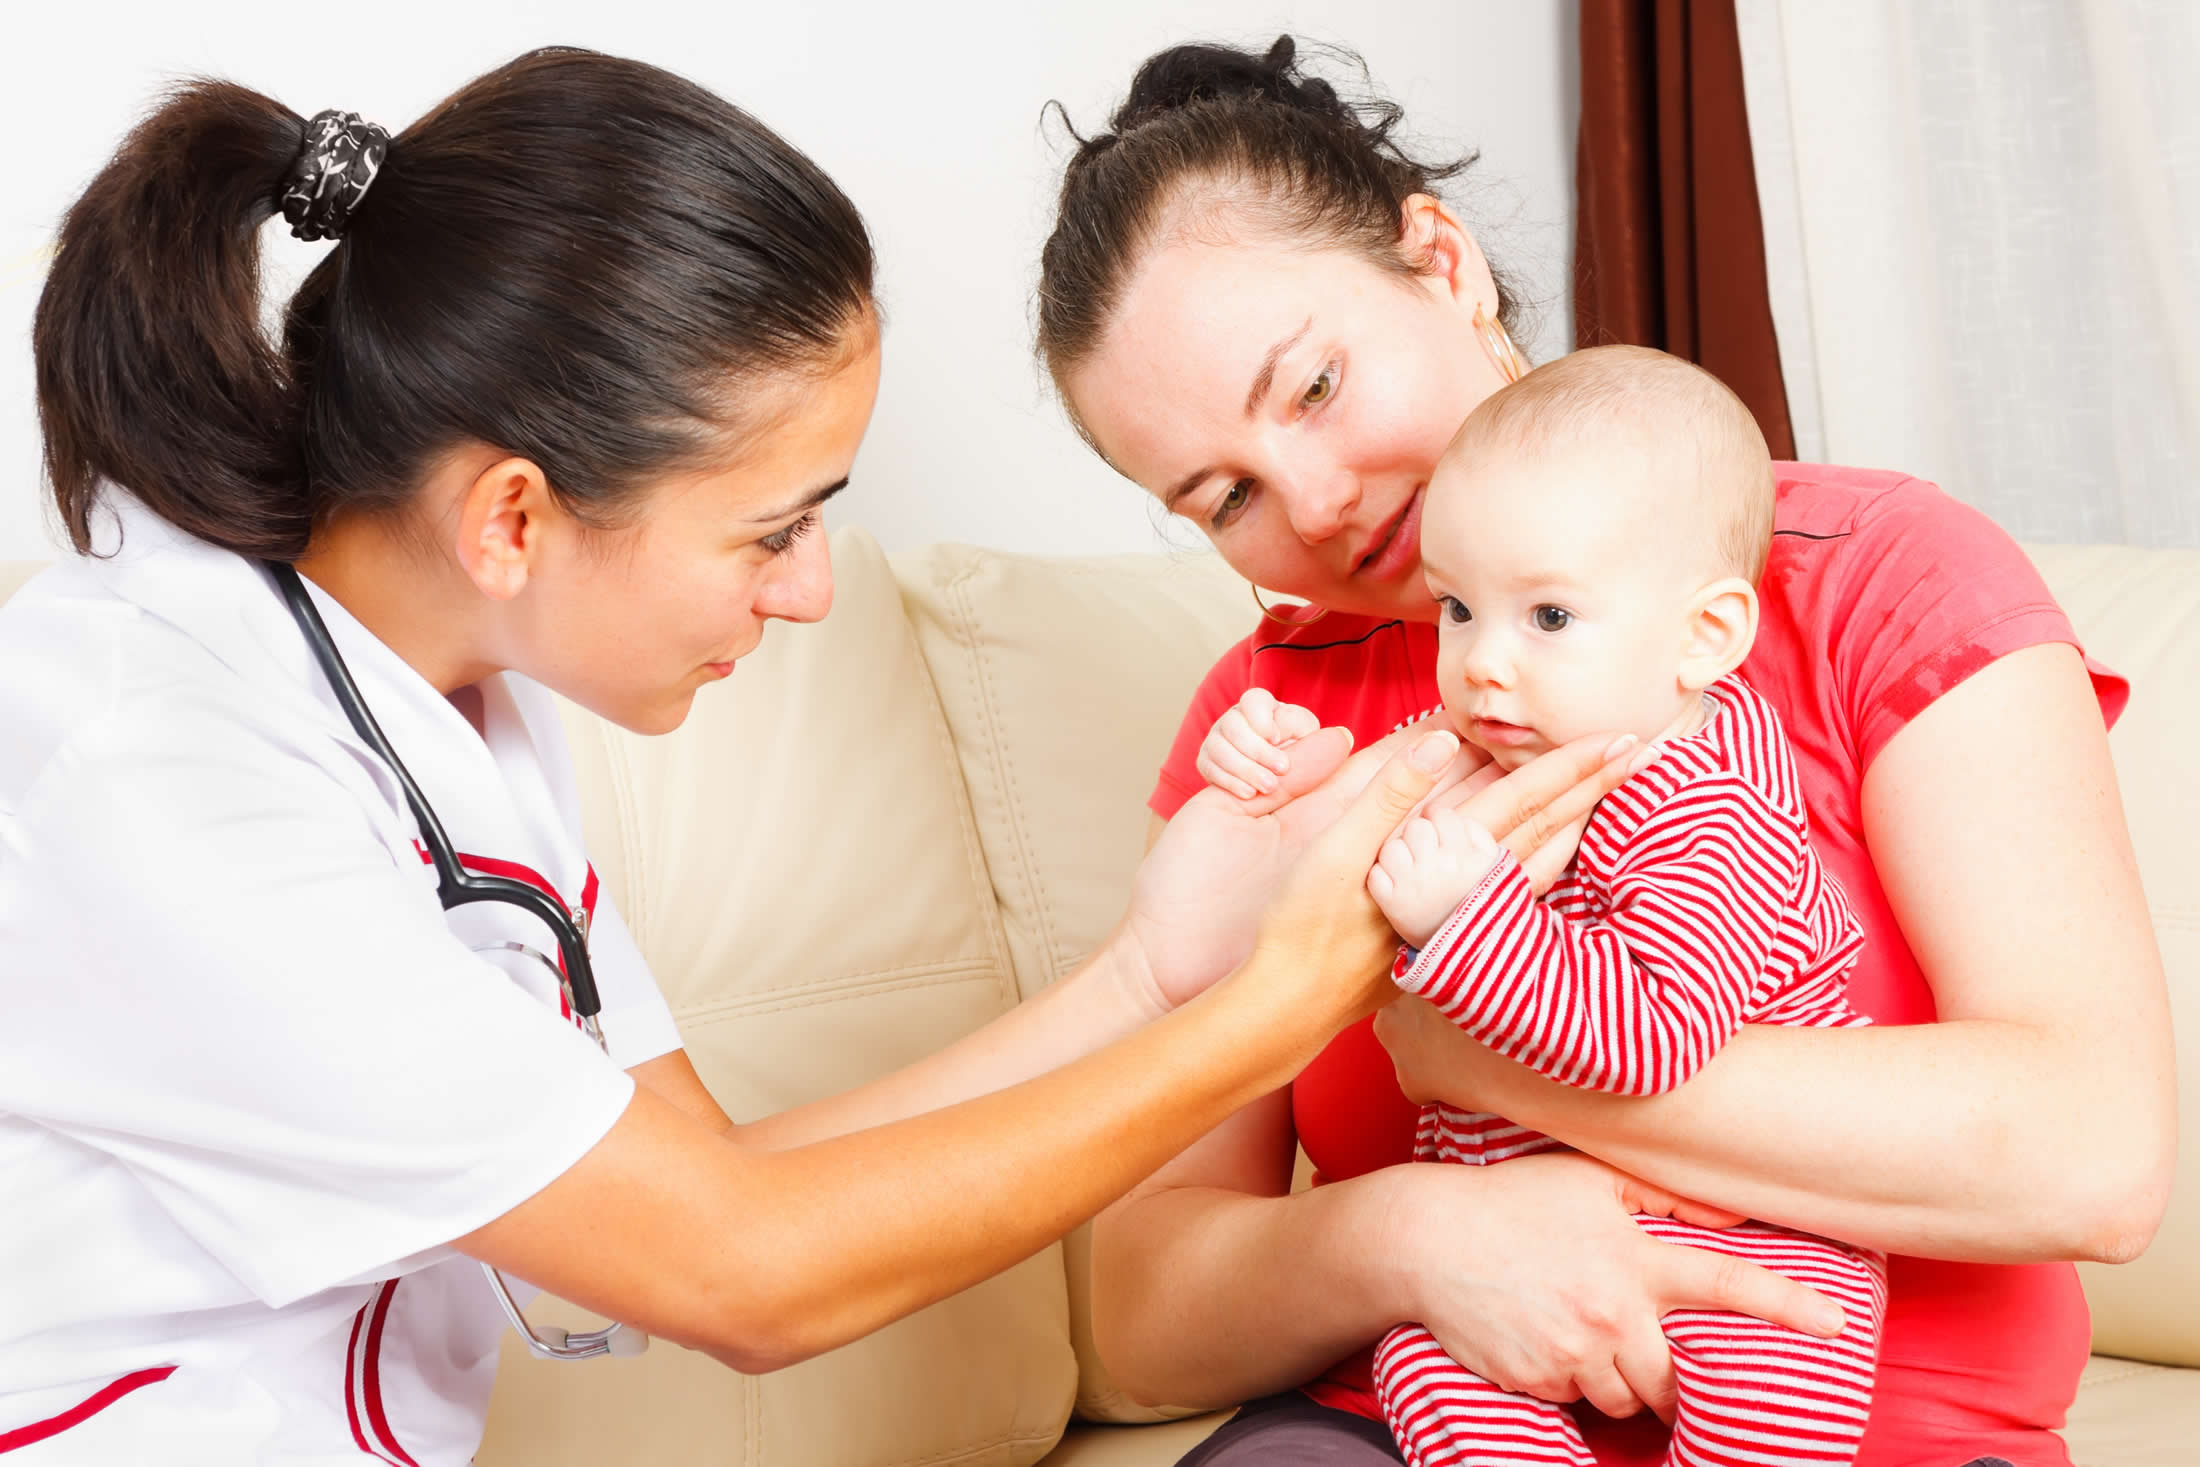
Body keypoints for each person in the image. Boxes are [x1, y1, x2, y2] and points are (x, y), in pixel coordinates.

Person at [0, 48, 1757, 1463]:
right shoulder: (158, 763)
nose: (813, 590)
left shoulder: (455, 706)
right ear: (515, 518)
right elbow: (739, 1271)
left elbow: (721, 1176)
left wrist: (1154, 965)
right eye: (772, 528)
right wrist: (1279, 1003)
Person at [1035, 34, 2174, 1467]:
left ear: (1440, 261)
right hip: (1414, 1432)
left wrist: (1474, 1049)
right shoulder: (1270, 722)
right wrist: (1419, 1231)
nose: (1313, 503)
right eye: (1225, 496)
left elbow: (2096, 1151)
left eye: (1315, 387)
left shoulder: (1878, 576)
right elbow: (1143, 1311)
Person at [1198, 346, 1888, 1467]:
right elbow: (1350, 820)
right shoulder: (1512, 739)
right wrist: (1284, 777)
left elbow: (1653, 1039)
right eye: (1459, 609)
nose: (1481, 667)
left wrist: (1468, 921)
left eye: (1549, 618)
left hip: (1753, 1233)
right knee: (1417, 1362)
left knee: (1781, 1368)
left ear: (1703, 638)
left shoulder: (1713, 805)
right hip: (1507, 1231)